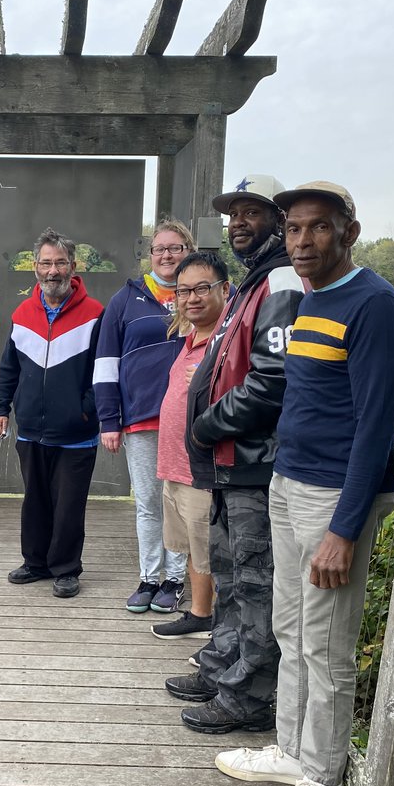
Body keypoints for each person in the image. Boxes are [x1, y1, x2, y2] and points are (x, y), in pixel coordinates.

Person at [214, 182, 394, 786]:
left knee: (327, 647)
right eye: (294, 228)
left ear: (348, 232)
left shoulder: (375, 305)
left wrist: (344, 529)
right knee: (292, 630)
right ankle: (293, 751)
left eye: (318, 228)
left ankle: (325, 781)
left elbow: (377, 427)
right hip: (288, 484)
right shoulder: (308, 300)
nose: (303, 241)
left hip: (333, 499)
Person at [162, 174, 307, 733]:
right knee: (226, 568)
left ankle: (248, 696)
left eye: (252, 212)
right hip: (226, 462)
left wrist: (206, 424)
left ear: (277, 219)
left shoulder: (281, 284)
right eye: (233, 214)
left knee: (253, 579)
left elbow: (273, 379)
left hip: (252, 459)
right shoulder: (253, 282)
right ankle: (223, 665)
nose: (239, 223)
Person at [0, 227, 104, 598]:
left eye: (60, 263)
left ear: (73, 266)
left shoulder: (95, 314)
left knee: (69, 505)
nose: (52, 270)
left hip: (77, 432)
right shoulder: (22, 313)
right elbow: (10, 368)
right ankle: (35, 562)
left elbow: (102, 372)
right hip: (31, 430)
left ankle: (67, 568)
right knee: (35, 500)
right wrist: (0, 409)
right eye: (45, 263)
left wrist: (86, 411)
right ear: (35, 267)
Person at [94, 218, 194, 615]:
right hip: (142, 419)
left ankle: (175, 580)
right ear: (149, 255)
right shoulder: (126, 299)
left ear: (189, 250)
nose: (167, 255)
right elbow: (105, 363)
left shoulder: (206, 292)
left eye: (175, 248)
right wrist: (108, 419)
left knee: (183, 502)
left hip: (192, 420)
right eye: (159, 249)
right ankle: (149, 577)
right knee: (149, 503)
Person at [148, 250, 230, 640]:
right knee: (193, 548)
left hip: (204, 467)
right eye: (183, 291)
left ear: (224, 289)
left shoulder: (226, 341)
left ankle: (219, 629)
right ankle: (199, 613)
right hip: (177, 464)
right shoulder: (190, 337)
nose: (192, 298)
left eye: (202, 288)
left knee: (210, 549)